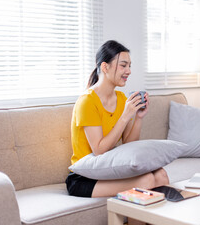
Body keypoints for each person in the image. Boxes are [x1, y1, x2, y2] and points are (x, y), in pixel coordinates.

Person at [65, 40, 169, 199]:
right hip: (83, 177)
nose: (129, 71)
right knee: (146, 180)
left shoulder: (121, 99)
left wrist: (138, 118)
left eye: (130, 66)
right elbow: (99, 150)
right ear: (105, 67)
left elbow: (128, 145)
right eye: (123, 65)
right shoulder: (87, 101)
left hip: (107, 170)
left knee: (161, 175)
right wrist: (126, 116)